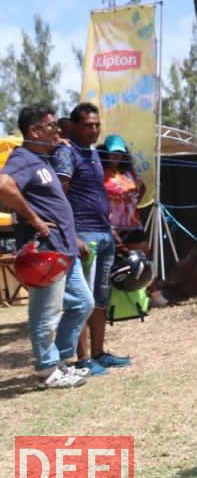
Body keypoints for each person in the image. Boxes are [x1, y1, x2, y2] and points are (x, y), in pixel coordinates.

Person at [0, 104, 93, 389]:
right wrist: (35, 219)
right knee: (45, 312)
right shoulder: (24, 158)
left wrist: (73, 238)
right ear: (34, 131)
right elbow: (3, 185)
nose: (57, 130)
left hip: (65, 248)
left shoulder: (44, 160)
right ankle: (46, 370)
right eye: (51, 126)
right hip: (45, 251)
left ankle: (61, 361)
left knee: (82, 303)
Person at [54, 103, 131, 374]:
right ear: (74, 126)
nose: (94, 130)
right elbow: (60, 196)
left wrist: (109, 228)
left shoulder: (94, 153)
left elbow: (96, 194)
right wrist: (71, 235)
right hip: (83, 235)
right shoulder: (67, 152)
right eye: (88, 125)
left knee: (100, 298)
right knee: (83, 300)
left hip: (103, 233)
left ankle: (99, 354)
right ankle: (83, 359)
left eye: (97, 125)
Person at [102, 135, 148, 250]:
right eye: (113, 151)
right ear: (105, 152)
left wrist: (132, 204)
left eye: (120, 152)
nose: (116, 155)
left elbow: (142, 187)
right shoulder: (100, 172)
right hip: (111, 227)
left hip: (133, 224)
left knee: (141, 260)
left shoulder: (129, 173)